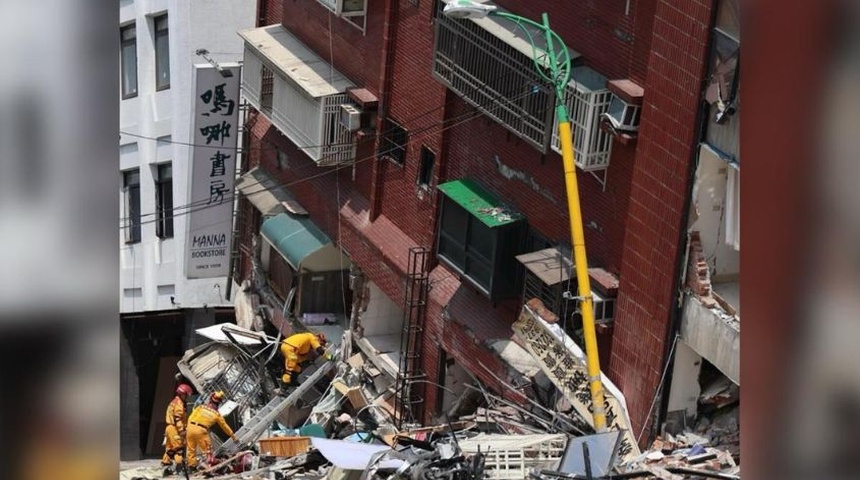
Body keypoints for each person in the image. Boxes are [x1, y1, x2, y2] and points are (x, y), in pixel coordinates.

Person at [185, 391, 239, 471]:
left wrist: (187, 428)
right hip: (201, 430)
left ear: (210, 399)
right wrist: (234, 437)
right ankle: (208, 467)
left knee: (191, 449)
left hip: (190, 427)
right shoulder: (217, 414)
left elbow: (190, 417)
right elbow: (225, 427)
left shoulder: (200, 407)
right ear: (219, 403)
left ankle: (191, 467)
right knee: (207, 451)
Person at [161, 383, 192, 474]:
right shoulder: (179, 404)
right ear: (182, 394)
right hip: (174, 429)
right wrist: (182, 430)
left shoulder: (174, 401)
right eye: (186, 395)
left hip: (169, 428)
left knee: (170, 448)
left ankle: (166, 464)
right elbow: (177, 418)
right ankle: (181, 468)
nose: (187, 397)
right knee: (179, 448)